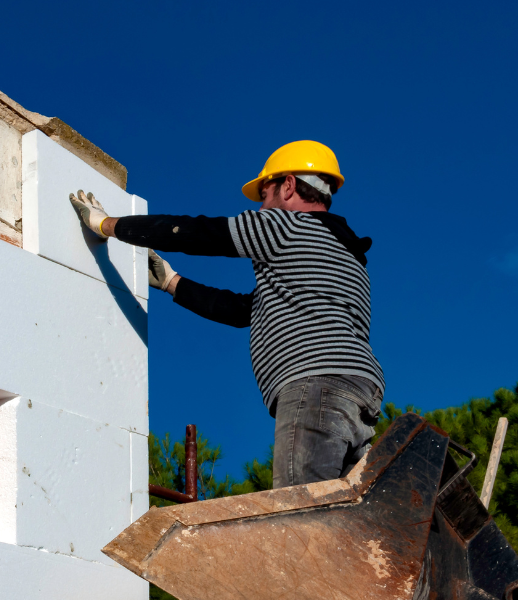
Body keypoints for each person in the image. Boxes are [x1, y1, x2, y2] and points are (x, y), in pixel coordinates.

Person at [70, 140, 385, 489]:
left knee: (300, 513)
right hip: (359, 395)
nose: (262, 207)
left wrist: (107, 225)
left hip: (315, 386)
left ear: (289, 185)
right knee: (342, 521)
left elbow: (199, 234)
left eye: (264, 195)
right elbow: (244, 310)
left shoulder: (285, 226)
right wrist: (172, 281)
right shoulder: (348, 257)